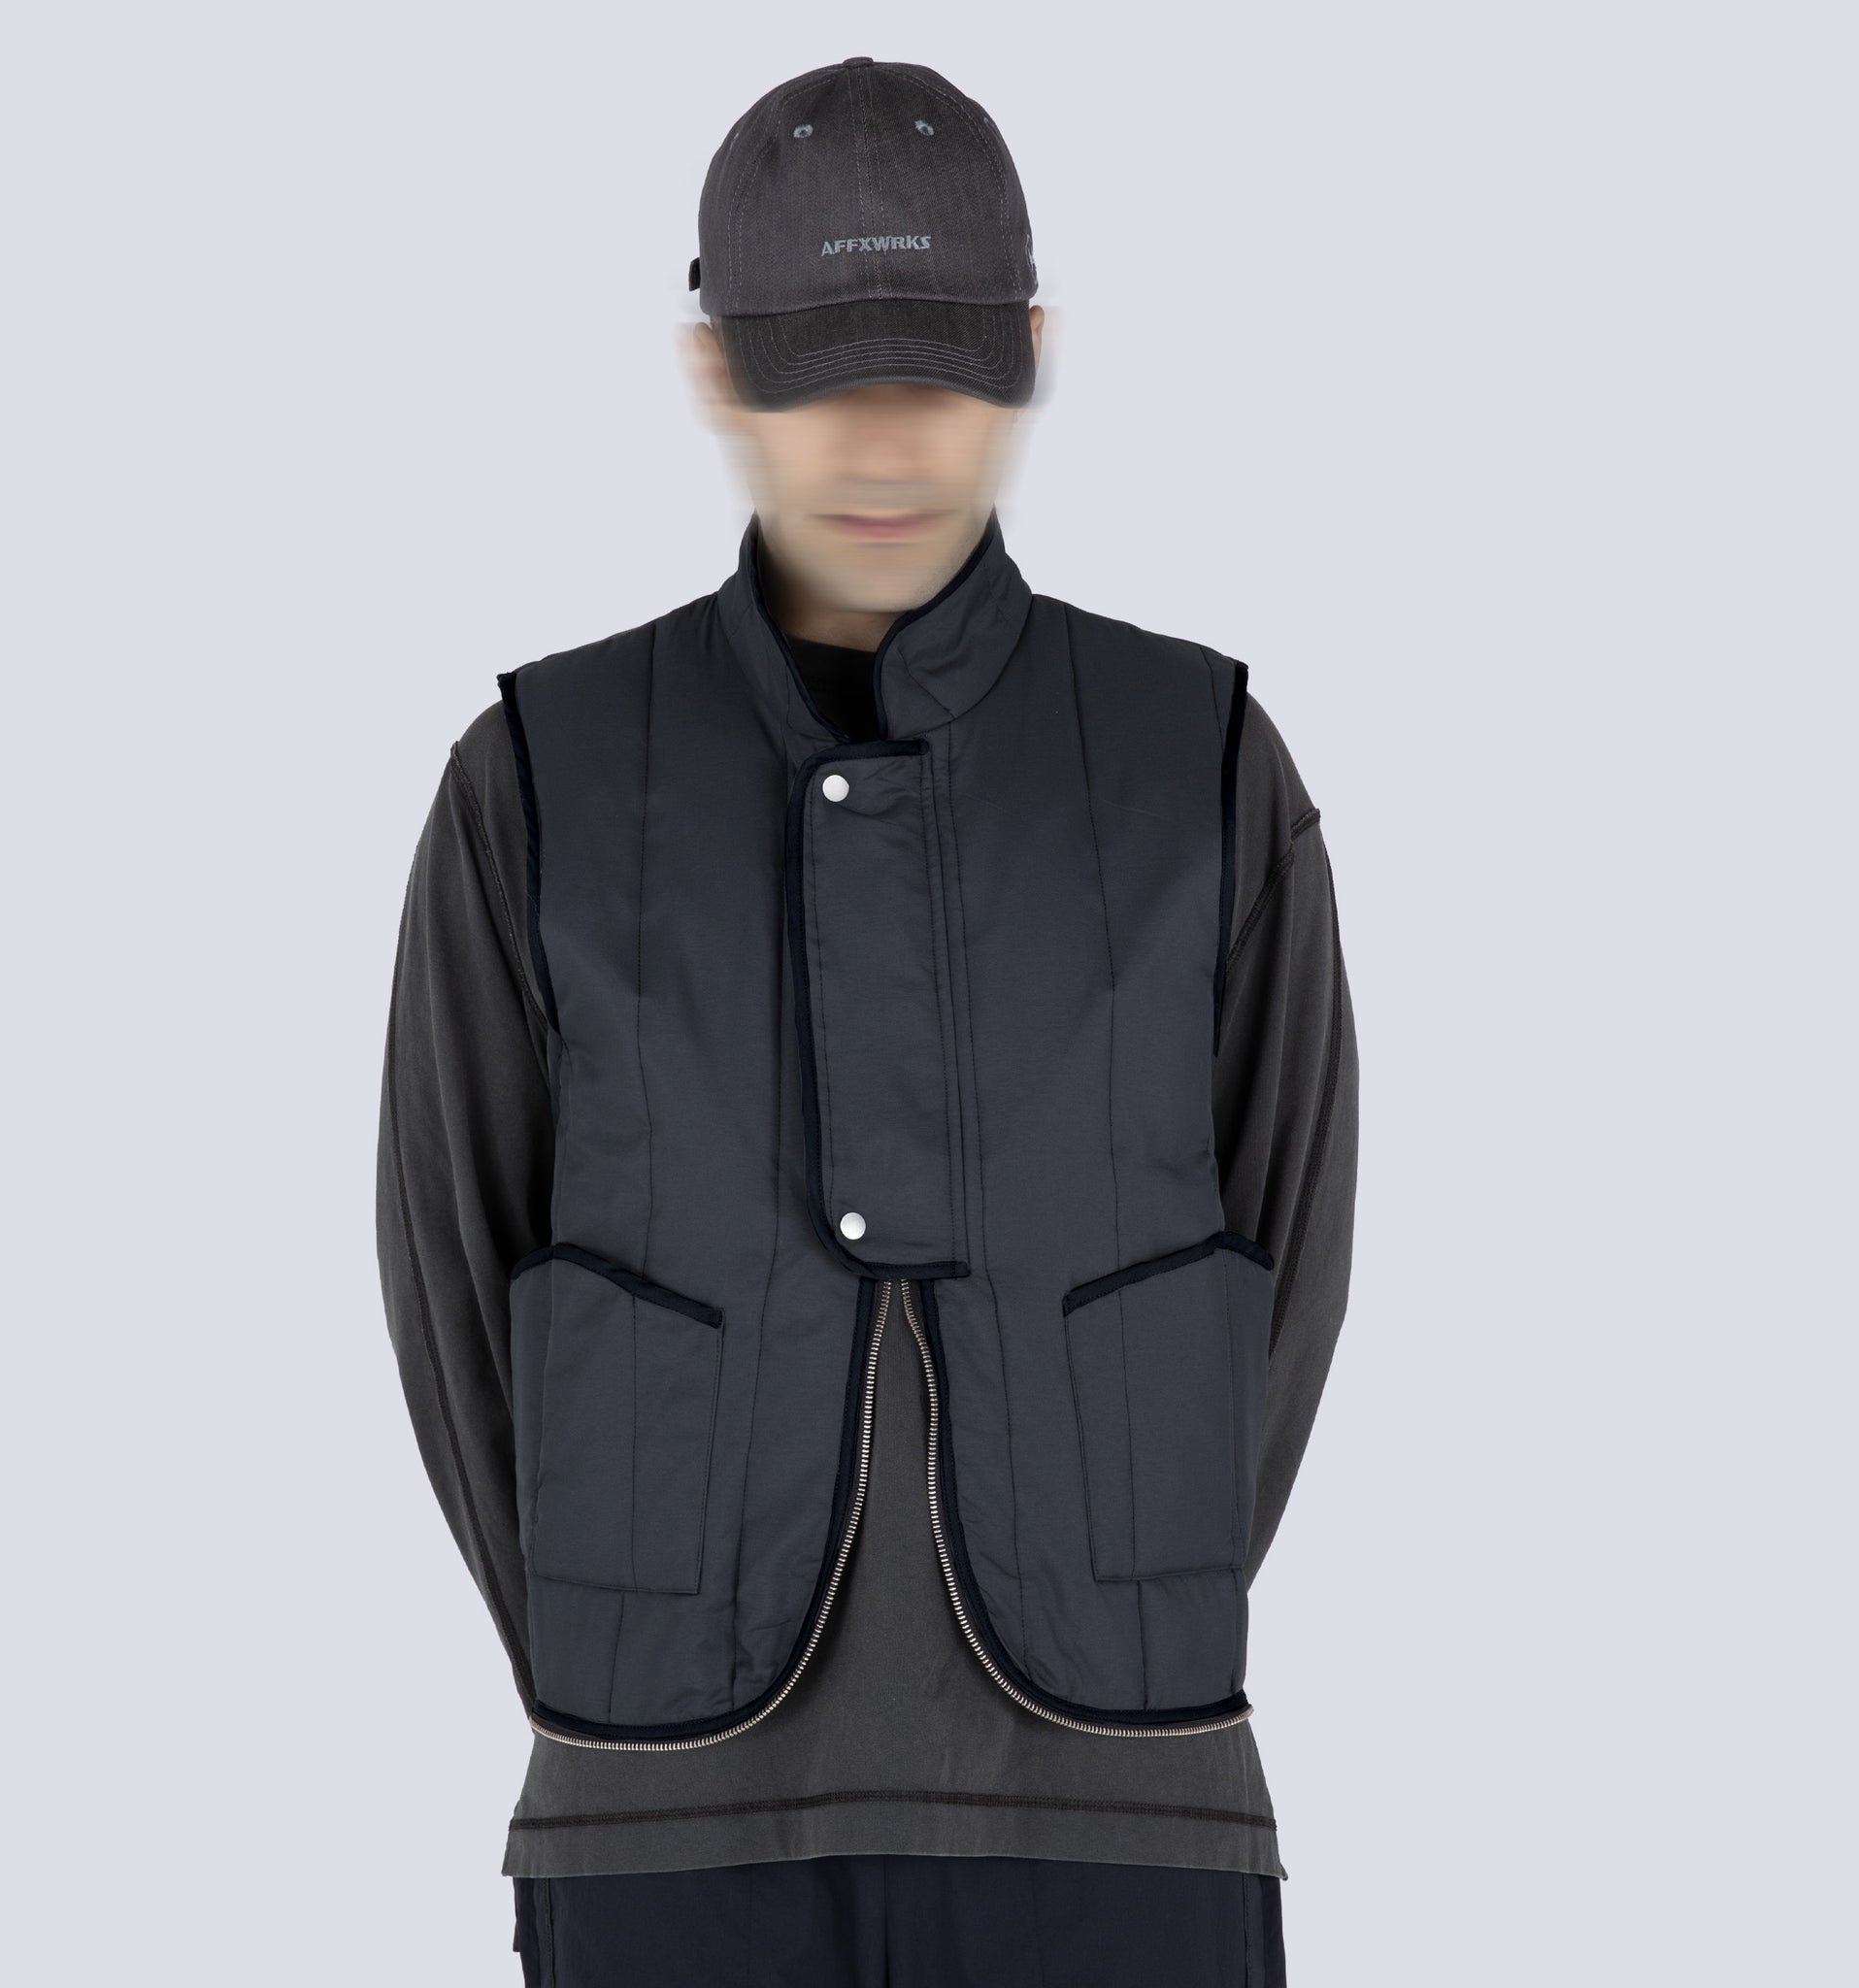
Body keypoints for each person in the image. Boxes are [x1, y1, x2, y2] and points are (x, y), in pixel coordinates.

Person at [377, 55, 1357, 1987]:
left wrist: (1112, 1570)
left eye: (941, 372)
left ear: (1030, 357)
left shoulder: (1197, 765)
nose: (885, 442)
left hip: (1126, 1810)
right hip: (664, 1823)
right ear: (715, 372)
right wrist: (627, 1638)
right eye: (820, 376)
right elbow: (451, 1283)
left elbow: (1289, 1252)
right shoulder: (541, 778)